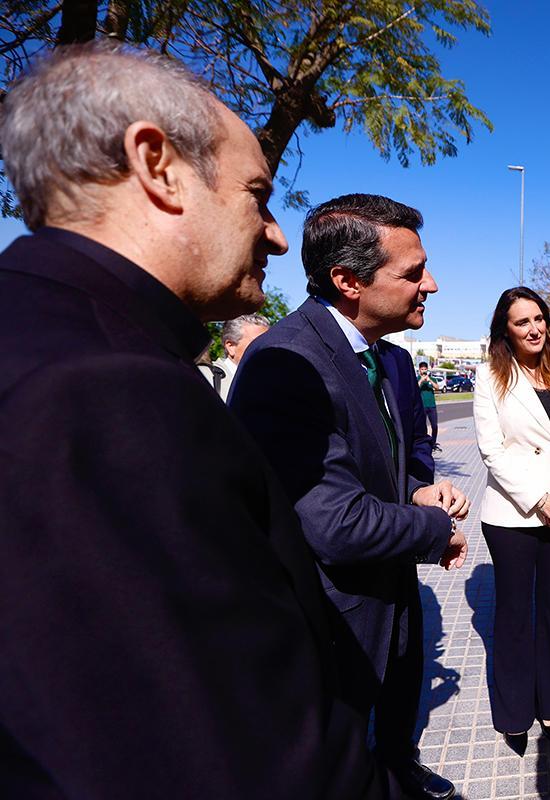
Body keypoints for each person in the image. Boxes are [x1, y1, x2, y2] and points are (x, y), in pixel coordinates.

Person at [0, 42, 406, 797]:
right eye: (258, 193)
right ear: (156, 165)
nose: (278, 235)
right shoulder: (103, 392)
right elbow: (244, 757)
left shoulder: (42, 331)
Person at [229, 194, 468, 800]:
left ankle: (398, 768)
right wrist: (437, 531)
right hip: (334, 614)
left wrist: (419, 490)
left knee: (393, 722)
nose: (431, 284)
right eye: (413, 273)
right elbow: (334, 521)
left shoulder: (382, 357)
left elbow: (378, 464)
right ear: (348, 281)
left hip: (390, 593)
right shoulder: (287, 362)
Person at [472, 288, 550, 754]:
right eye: (522, 322)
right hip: (512, 514)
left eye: (539, 318)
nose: (535, 329)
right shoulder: (490, 376)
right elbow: (491, 450)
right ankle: (514, 711)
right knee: (514, 615)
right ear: (505, 328)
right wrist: (537, 498)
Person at [210, 312, 270, 400]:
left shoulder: (270, 383)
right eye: (257, 344)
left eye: (269, 344)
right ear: (231, 346)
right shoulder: (205, 378)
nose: (266, 350)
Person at [417, 361, 441, 451]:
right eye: (422, 369)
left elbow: (437, 387)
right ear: (419, 370)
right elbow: (415, 388)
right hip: (422, 406)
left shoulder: (432, 379)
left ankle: (433, 443)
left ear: (427, 369)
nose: (423, 371)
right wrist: (421, 380)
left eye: (425, 369)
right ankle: (423, 443)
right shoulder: (417, 378)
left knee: (434, 426)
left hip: (432, 406)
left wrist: (429, 380)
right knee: (423, 426)